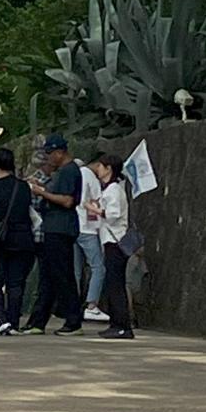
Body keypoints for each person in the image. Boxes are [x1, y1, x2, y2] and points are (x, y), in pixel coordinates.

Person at [27, 134, 85, 333]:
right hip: (52, 227)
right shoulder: (60, 173)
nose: (48, 158)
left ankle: (73, 320)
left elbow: (67, 200)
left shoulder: (69, 171)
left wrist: (41, 192)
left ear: (60, 152)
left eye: (51, 154)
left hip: (61, 227)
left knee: (63, 275)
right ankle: (38, 320)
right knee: (48, 276)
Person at [0, 145, 36, 335]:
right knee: (16, 283)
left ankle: (0, 319)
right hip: (22, 238)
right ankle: (14, 321)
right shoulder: (23, 187)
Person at [89, 152, 137, 340]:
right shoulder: (110, 189)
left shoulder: (114, 190)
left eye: (100, 166)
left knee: (115, 284)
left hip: (115, 241)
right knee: (112, 283)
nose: (98, 170)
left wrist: (96, 210)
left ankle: (122, 325)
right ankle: (116, 323)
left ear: (108, 169)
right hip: (110, 240)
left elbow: (114, 214)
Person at [75, 159, 108, 322]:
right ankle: (92, 305)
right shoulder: (90, 176)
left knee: (76, 270)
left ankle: (72, 306)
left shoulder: (75, 175)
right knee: (98, 267)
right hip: (87, 228)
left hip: (73, 226)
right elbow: (97, 198)